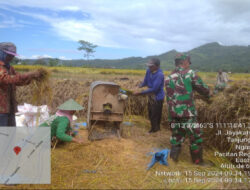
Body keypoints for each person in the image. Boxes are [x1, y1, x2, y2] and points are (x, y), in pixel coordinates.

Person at [165, 53, 211, 166]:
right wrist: (210, 94)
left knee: (176, 136)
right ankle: (198, 162)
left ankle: (173, 159)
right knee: (196, 136)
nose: (189, 65)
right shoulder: (190, 74)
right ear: (184, 62)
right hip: (188, 113)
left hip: (174, 113)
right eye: (189, 62)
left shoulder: (169, 77)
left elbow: (170, 96)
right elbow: (203, 89)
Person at [0, 42, 42, 127]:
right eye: (9, 55)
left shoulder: (10, 68)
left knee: (10, 134)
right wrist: (29, 74)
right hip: (1, 109)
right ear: (1, 52)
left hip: (10, 108)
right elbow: (5, 79)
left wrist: (32, 78)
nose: (11, 57)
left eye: (12, 55)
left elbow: (18, 80)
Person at [133, 58, 165, 133]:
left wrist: (140, 93)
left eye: (151, 66)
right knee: (150, 112)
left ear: (157, 66)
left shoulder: (160, 75)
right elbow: (145, 82)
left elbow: (154, 89)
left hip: (157, 97)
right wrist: (139, 86)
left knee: (155, 114)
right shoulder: (149, 71)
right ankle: (156, 128)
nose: (149, 67)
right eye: (149, 66)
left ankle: (154, 130)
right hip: (150, 96)